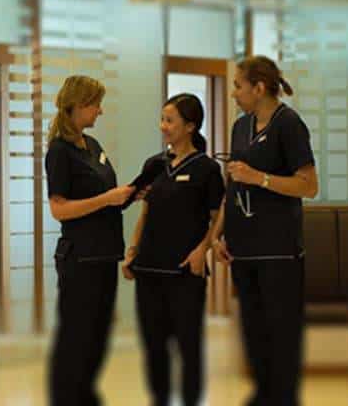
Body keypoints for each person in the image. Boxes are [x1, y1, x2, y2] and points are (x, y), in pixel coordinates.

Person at [216, 55, 319, 406]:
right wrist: (221, 234)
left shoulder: (289, 125)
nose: (233, 94)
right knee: (254, 333)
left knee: (282, 335)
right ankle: (262, 395)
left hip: (279, 251)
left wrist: (259, 178)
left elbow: (308, 186)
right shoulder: (240, 127)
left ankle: (283, 399)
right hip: (244, 248)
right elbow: (232, 185)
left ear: (259, 88)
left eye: (237, 86)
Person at [124, 94, 224, 406]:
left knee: (188, 346)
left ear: (190, 126)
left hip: (185, 272)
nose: (163, 126)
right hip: (149, 270)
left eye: (170, 120)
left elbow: (219, 215)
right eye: (162, 119)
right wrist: (133, 250)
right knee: (154, 346)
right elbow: (145, 212)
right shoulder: (154, 165)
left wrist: (202, 250)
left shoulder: (207, 169)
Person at [45, 75, 137, 406]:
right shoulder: (59, 152)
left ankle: (84, 394)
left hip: (104, 256)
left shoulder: (93, 147)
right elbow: (59, 209)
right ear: (79, 105)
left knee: (98, 334)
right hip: (79, 258)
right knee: (75, 336)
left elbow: (104, 195)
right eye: (95, 104)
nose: (100, 111)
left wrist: (129, 195)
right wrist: (107, 200)